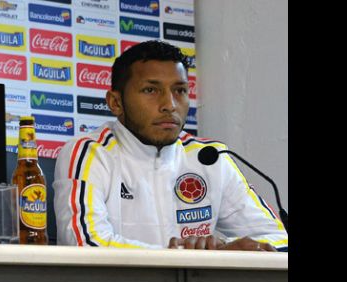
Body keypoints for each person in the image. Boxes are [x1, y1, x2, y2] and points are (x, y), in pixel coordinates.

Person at [53, 40, 287, 251]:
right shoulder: (91, 153)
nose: (169, 104)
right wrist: (186, 257)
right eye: (151, 90)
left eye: (180, 90)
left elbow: (280, 239)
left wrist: (227, 249)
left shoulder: (210, 157)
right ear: (115, 102)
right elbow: (87, 244)